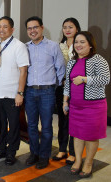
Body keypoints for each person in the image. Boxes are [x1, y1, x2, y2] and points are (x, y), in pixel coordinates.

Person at [63, 31, 110, 178]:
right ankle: (77, 161)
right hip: (75, 106)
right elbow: (68, 84)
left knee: (90, 136)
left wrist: (85, 79)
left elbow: (105, 79)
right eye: (76, 42)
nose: (78, 45)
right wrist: (65, 101)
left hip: (94, 106)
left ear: (90, 45)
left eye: (82, 42)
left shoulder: (98, 60)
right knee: (77, 135)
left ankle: (88, 163)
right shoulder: (72, 61)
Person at [24, 16, 65, 169]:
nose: (32, 31)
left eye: (35, 27)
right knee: (32, 125)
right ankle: (34, 152)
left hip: (47, 91)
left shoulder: (53, 46)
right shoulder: (25, 47)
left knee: (47, 126)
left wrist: (56, 89)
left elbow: (60, 69)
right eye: (29, 28)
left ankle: (44, 155)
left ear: (41, 28)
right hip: (29, 91)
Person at [0, 16, 29, 165]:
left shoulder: (19, 46)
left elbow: (23, 71)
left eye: (5, 26)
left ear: (12, 29)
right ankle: (1, 149)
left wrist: (20, 93)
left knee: (13, 125)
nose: (1, 29)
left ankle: (11, 152)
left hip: (12, 94)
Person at [53, 17, 81, 165]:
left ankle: (73, 152)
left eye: (71, 27)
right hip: (61, 87)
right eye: (65, 27)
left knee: (73, 120)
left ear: (77, 28)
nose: (67, 30)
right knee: (62, 120)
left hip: (77, 87)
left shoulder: (80, 44)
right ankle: (62, 149)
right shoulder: (59, 46)